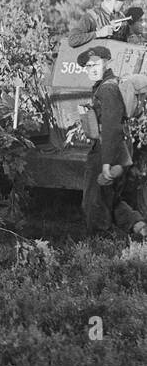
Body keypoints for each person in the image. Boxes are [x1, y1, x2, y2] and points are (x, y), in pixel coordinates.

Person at [76, 45, 147, 239]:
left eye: (96, 64)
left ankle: (101, 245)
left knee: (93, 202)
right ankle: (139, 226)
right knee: (111, 198)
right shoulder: (108, 84)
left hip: (107, 150)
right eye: (88, 66)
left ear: (107, 62)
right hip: (120, 148)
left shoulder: (107, 89)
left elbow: (110, 127)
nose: (92, 69)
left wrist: (106, 163)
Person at [69, 0, 145, 46]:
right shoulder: (92, 17)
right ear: (114, 1)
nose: (123, 4)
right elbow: (72, 39)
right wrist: (98, 34)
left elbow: (129, 38)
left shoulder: (121, 17)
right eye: (122, 2)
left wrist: (134, 39)